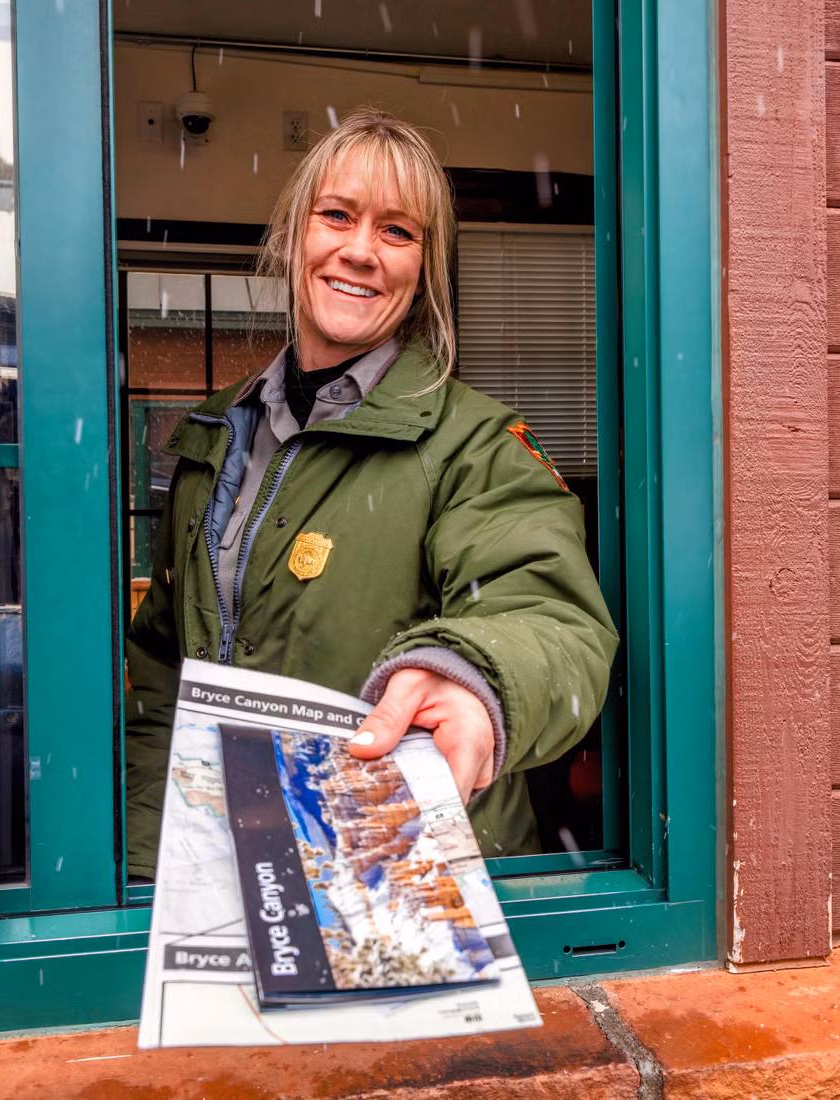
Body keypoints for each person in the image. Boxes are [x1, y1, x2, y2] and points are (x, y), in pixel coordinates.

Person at [125, 108, 617, 878]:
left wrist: (475, 680)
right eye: (338, 216)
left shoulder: (476, 444)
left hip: (400, 871)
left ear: (424, 267)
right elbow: (163, 659)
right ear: (295, 235)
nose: (360, 251)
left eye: (398, 231)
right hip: (222, 871)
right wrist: (150, 857)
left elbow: (554, 622)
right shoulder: (214, 433)